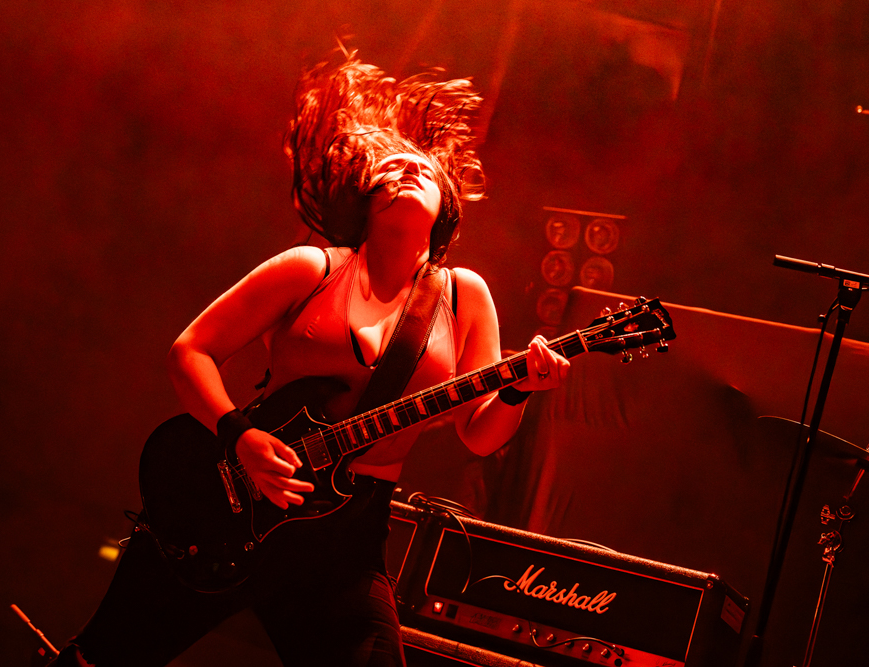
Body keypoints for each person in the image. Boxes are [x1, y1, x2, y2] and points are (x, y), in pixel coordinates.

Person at [50, 52, 569, 667]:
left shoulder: (464, 296)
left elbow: (479, 434)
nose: (407, 169)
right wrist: (240, 437)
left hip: (346, 540)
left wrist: (519, 388)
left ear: (446, 204)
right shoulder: (310, 269)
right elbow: (190, 351)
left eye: (422, 169)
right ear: (365, 198)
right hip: (226, 503)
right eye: (391, 168)